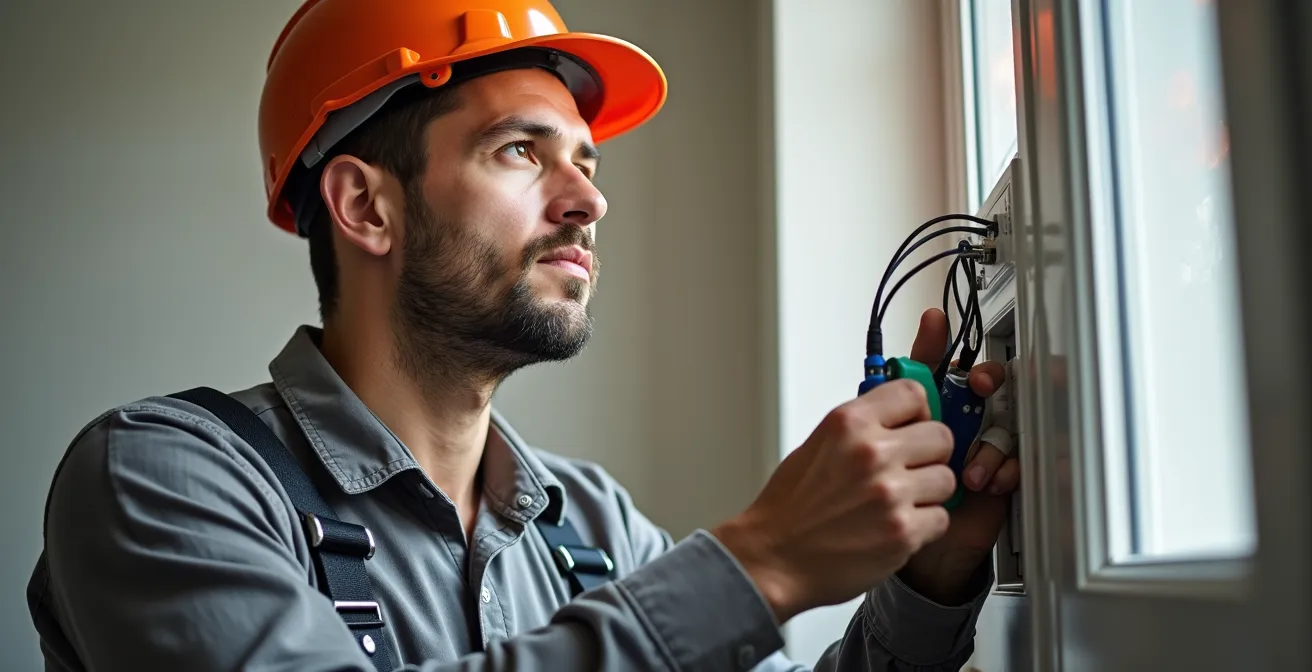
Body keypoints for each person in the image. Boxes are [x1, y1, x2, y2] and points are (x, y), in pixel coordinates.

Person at [26, 1, 1020, 670]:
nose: (588, 199)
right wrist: (757, 565)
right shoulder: (161, 480)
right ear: (366, 207)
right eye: (518, 152)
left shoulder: (591, 526)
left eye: (586, 162)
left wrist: (927, 585)